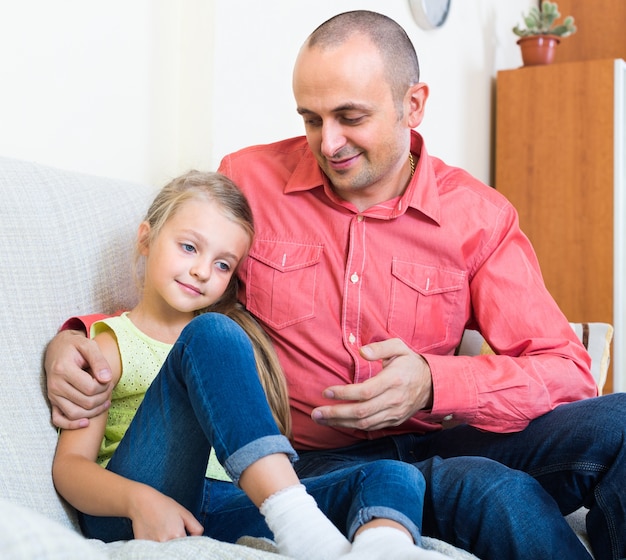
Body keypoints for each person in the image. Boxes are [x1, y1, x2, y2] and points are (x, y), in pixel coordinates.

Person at [45, 10, 626, 560]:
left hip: (442, 436)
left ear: (412, 105)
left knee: (619, 421)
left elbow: (567, 370)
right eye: (311, 118)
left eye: (351, 117)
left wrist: (433, 382)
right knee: (497, 494)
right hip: (300, 461)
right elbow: (185, 297)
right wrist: (75, 341)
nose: (328, 143)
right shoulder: (249, 181)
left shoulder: (478, 216)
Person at [51, 170, 452, 560]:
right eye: (189, 247)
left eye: (223, 264)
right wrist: (138, 500)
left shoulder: (229, 349)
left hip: (221, 504)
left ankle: (382, 550)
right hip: (135, 505)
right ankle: (297, 522)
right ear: (146, 238)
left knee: (395, 475)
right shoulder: (110, 344)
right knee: (212, 332)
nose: (202, 271)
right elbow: (70, 467)